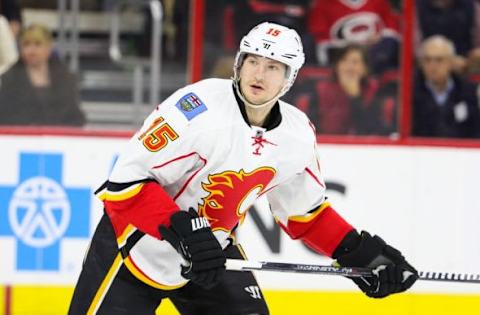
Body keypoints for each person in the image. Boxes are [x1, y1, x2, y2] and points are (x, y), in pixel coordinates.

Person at [68, 22, 417, 315]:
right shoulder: (196, 109)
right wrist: (182, 231)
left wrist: (359, 253)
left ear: (289, 79)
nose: (259, 74)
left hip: (211, 256)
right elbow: (123, 186)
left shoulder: (296, 136)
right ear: (238, 63)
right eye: (252, 61)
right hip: (133, 248)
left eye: (273, 67)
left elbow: (305, 214)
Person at [292, 44, 397, 135]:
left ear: (366, 69)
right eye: (344, 61)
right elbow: (312, 128)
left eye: (355, 62)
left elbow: (371, 131)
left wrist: (355, 97)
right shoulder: (319, 91)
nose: (349, 67)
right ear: (337, 66)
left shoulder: (376, 92)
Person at [0, 24, 85, 126]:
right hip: (21, 138)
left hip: (59, 138)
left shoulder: (66, 78)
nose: (32, 50)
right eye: (26, 44)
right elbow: (4, 116)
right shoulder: (8, 79)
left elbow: (74, 117)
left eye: (38, 44)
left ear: (49, 48)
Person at [413, 35, 480, 138]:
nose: (432, 65)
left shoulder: (468, 92)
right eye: (427, 60)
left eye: (439, 60)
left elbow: (475, 129)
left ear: (451, 62)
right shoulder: (411, 93)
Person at [307, 0, 401, 74]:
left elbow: (393, 33)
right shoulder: (323, 5)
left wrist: (381, 37)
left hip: (376, 62)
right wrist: (354, 45)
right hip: (341, 64)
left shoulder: (379, 2)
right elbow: (322, 46)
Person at [415, 0, 480, 73]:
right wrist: (440, 61)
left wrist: (469, 61)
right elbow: (416, 49)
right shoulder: (417, 7)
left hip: (463, 66)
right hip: (428, 64)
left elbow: (477, 49)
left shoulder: (472, 6)